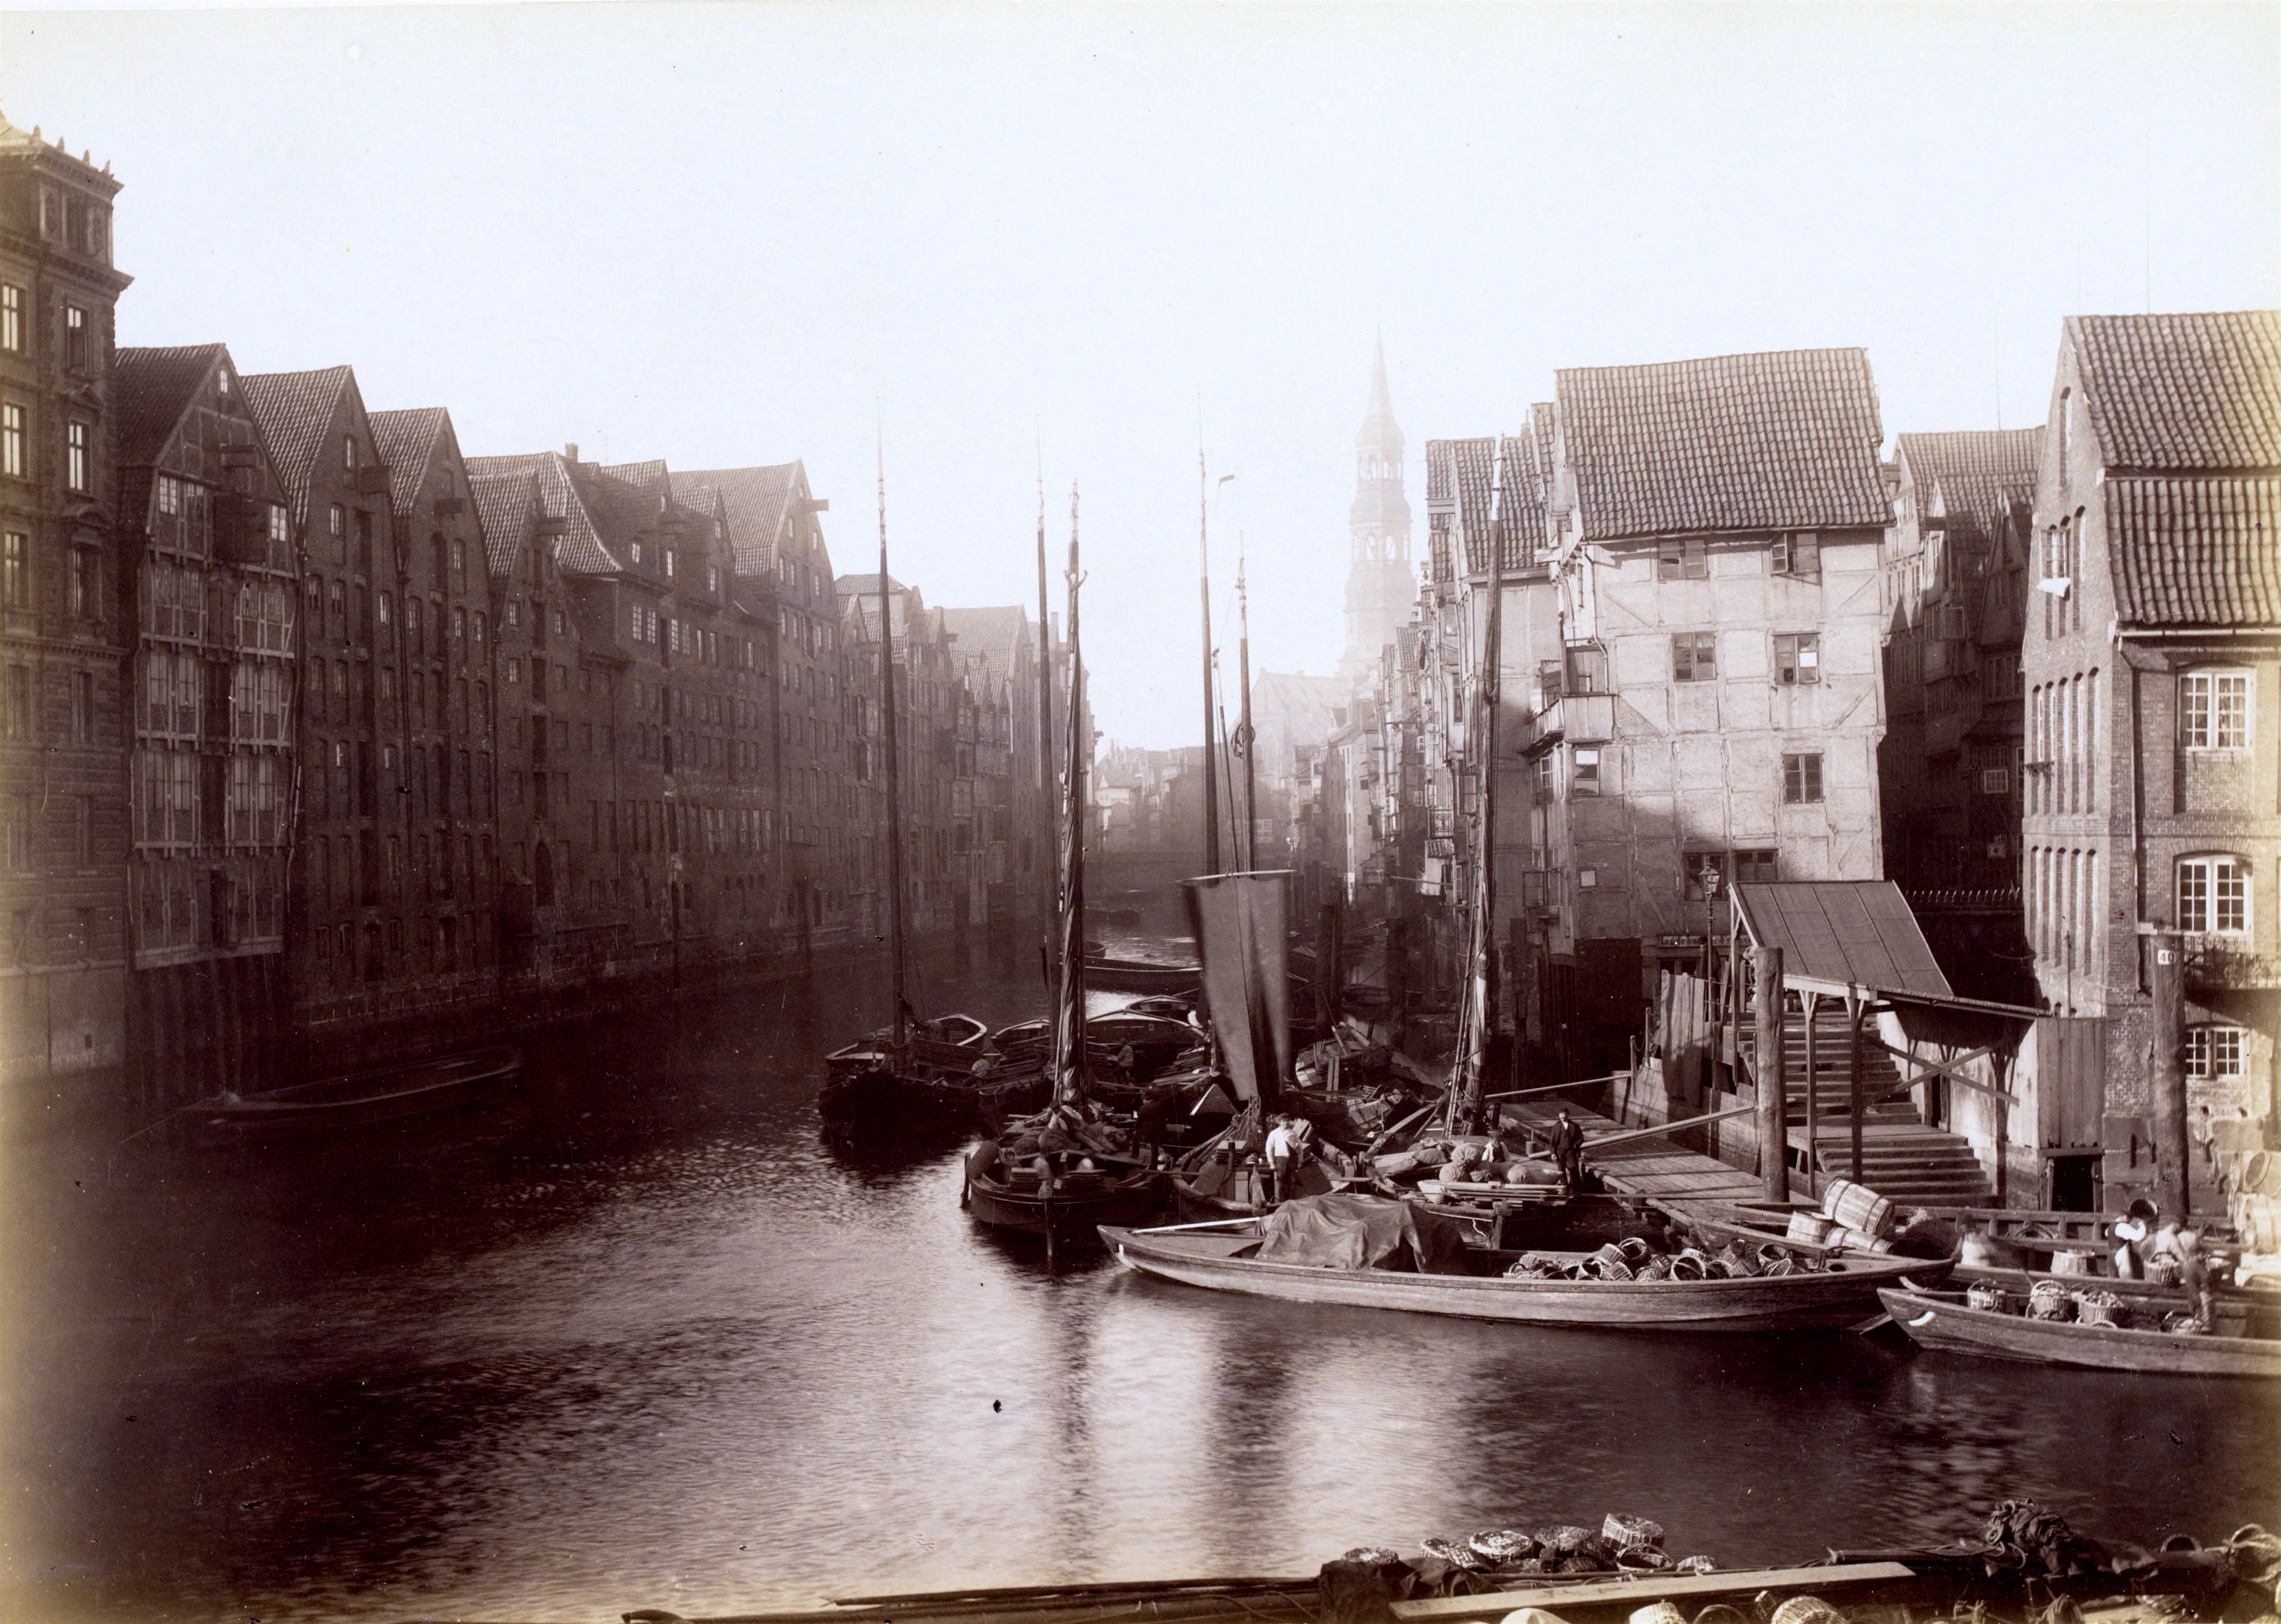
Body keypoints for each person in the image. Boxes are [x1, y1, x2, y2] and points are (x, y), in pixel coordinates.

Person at [2110, 1199, 2156, 1279]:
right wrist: (2143, 1225)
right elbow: (2138, 1236)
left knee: (2114, 1278)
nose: (2130, 1219)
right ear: (2124, 1217)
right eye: (2129, 1217)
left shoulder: (2112, 1225)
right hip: (2121, 1254)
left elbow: (2106, 1233)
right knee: (2126, 1278)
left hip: (2111, 1254)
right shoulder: (2122, 1227)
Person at [1264, 1114, 1297, 1206]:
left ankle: (1292, 1204)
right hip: (1280, 1160)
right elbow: (1269, 1149)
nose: (1285, 1123)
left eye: (1287, 1121)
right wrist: (1271, 1163)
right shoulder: (1274, 1133)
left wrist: (1300, 1160)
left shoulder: (1293, 1133)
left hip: (1292, 1160)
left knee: (1292, 1183)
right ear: (1279, 1122)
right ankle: (1283, 1204)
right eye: (1283, 1121)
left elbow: (1299, 1148)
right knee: (1281, 1184)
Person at [1549, 1107, 1586, 1190]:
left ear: (1568, 1115)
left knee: (1574, 1170)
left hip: (1571, 1152)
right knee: (1561, 1171)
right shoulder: (1556, 1127)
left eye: (1564, 1114)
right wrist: (1553, 1153)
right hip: (1559, 1152)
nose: (1562, 1116)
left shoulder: (1575, 1126)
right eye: (1561, 1115)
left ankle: (1575, 1190)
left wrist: (1575, 1145)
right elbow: (1552, 1142)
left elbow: (1581, 1138)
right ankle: (1565, 1188)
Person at [1134, 1086, 1170, 1169]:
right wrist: (1163, 1128)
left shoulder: (1143, 1108)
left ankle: (1135, 1154)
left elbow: (1139, 1121)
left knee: (1136, 1136)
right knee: (1154, 1147)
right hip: (1157, 1130)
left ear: (1145, 1099)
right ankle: (1154, 1164)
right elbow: (1163, 1119)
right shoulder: (1158, 1106)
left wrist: (1136, 1127)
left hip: (1146, 1131)